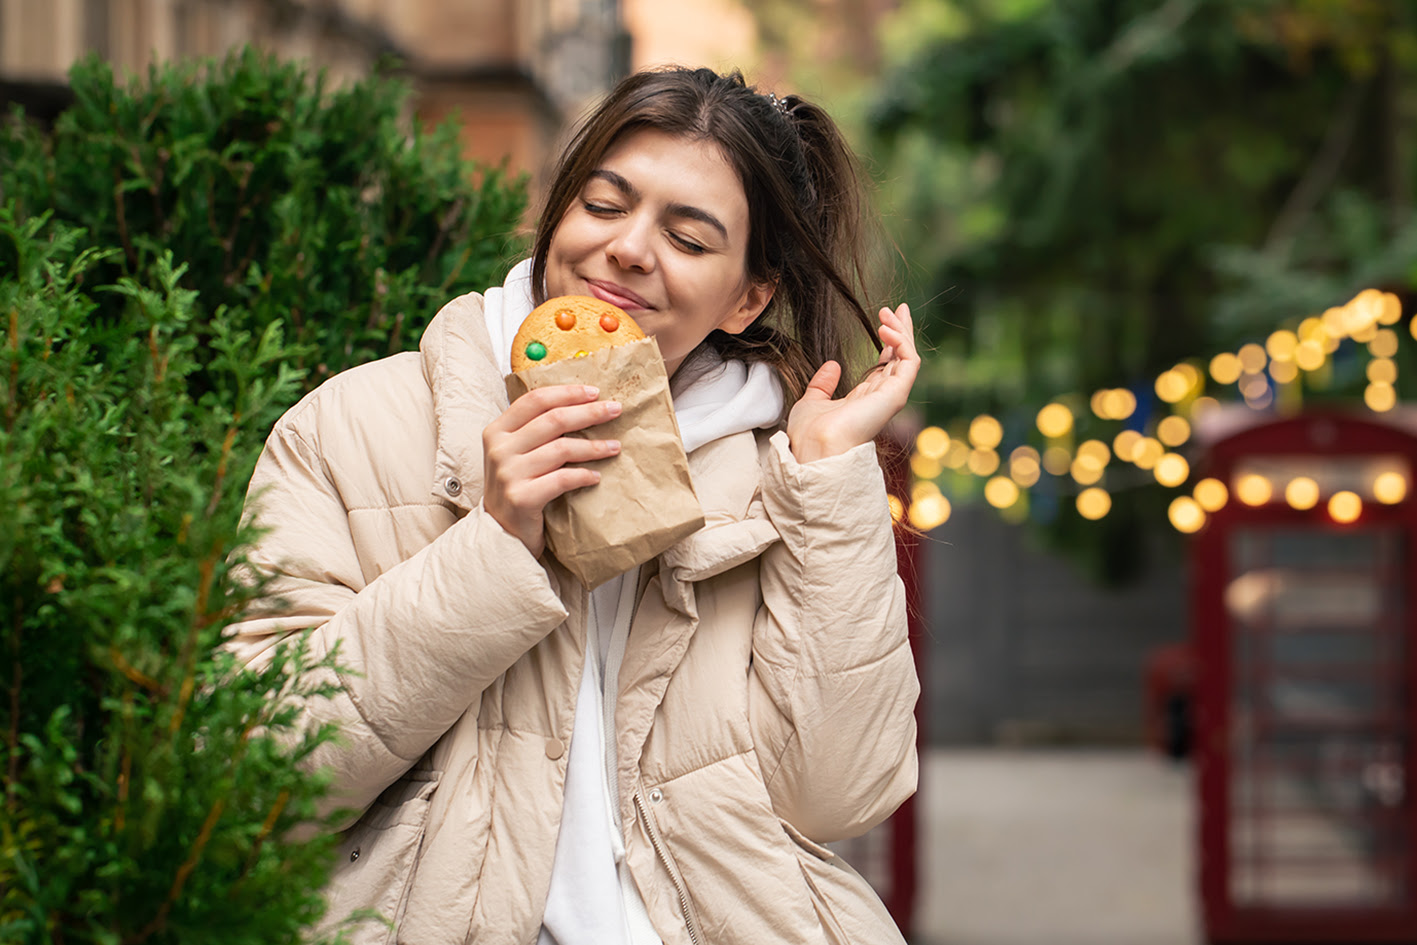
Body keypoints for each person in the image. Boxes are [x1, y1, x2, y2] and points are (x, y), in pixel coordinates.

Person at [225, 66, 921, 945]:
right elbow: (254, 781)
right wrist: (493, 546)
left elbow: (839, 792)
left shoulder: (777, 476)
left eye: (690, 238)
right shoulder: (354, 427)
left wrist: (826, 478)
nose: (630, 248)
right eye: (603, 205)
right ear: (556, 216)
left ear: (750, 295)